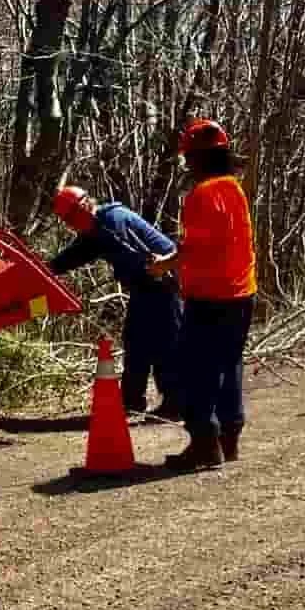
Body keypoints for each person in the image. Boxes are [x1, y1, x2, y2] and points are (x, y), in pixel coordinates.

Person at [145, 118, 255, 469]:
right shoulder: (234, 188)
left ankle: (204, 443)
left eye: (189, 158)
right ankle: (228, 439)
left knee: (195, 370)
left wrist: (164, 265)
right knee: (229, 364)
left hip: (210, 296)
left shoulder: (201, 195)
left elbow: (196, 248)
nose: (186, 164)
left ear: (199, 159)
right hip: (242, 293)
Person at [48, 186, 181, 416]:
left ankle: (176, 403)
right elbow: (75, 254)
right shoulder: (97, 228)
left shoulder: (111, 223)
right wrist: (46, 270)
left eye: (70, 218)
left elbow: (137, 258)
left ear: (84, 208)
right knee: (136, 341)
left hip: (163, 283)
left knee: (165, 344)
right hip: (146, 286)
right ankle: (131, 402)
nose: (70, 225)